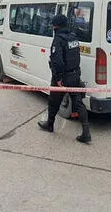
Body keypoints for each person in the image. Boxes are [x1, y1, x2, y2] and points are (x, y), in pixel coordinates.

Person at [37, 14, 91, 143]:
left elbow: (57, 61)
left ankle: (49, 125)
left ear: (56, 26)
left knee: (53, 101)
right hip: (75, 74)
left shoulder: (58, 40)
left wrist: (58, 78)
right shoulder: (74, 37)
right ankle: (86, 132)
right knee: (78, 103)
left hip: (63, 76)